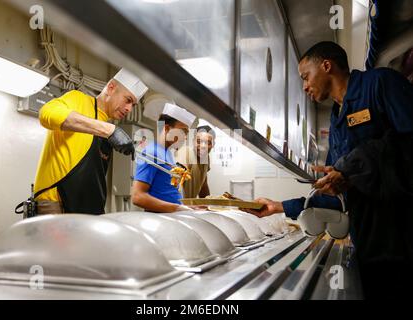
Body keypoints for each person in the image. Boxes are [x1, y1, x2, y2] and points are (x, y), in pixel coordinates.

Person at [247, 41, 413, 298]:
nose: (305, 86)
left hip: (403, 237)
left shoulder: (381, 84)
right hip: (370, 245)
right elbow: (338, 195)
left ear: (326, 66)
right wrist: (278, 207)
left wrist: (350, 167)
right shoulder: (337, 121)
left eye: (306, 76)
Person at [32, 68, 148, 215]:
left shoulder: (108, 128)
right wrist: (108, 130)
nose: (129, 109)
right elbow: (46, 113)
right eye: (128, 100)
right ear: (111, 88)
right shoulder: (78, 100)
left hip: (88, 210)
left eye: (133, 105)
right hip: (56, 205)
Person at [132, 103, 196, 213]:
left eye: (187, 133)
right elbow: (138, 197)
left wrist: (187, 207)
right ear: (166, 128)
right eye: (182, 131)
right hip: (158, 220)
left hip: (171, 216)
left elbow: (166, 191)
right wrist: (177, 208)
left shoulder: (168, 153)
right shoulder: (152, 152)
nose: (185, 137)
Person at [175, 125, 215, 198]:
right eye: (199, 141)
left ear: (212, 145)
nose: (203, 146)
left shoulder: (206, 159)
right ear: (193, 141)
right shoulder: (185, 152)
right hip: (179, 204)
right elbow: (175, 183)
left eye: (208, 143)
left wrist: (208, 204)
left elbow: (204, 186)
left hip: (190, 206)